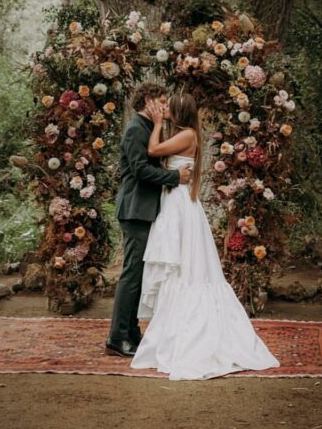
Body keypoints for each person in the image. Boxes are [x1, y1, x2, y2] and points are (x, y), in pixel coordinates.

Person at [130, 90, 280, 380]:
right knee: (178, 266)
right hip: (173, 202)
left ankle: (193, 333)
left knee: (186, 267)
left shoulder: (187, 135)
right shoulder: (185, 134)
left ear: (179, 111)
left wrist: (158, 123)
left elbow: (152, 151)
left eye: (169, 107)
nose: (166, 109)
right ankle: (169, 332)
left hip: (180, 206)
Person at [106, 82, 192, 357]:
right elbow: (141, 170)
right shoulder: (135, 129)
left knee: (139, 273)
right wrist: (174, 178)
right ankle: (117, 338)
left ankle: (132, 332)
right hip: (134, 209)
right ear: (148, 102)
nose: (166, 106)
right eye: (162, 101)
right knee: (132, 273)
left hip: (146, 210)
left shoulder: (148, 128)